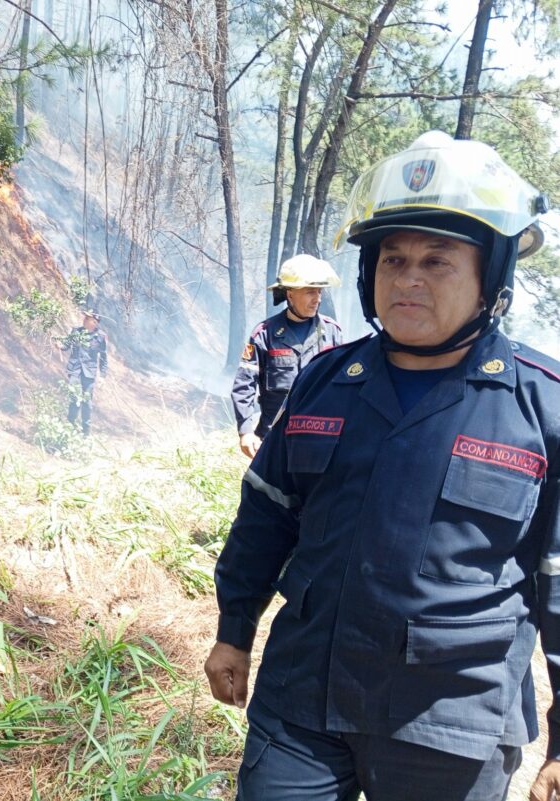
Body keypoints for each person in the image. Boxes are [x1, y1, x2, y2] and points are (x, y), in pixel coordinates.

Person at [204, 130, 560, 801]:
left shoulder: (542, 406)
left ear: (493, 275)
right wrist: (233, 628)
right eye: (393, 259)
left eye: (437, 260)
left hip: (450, 724)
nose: (409, 279)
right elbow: (266, 516)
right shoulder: (326, 380)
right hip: (302, 700)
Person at [231, 255, 343, 458]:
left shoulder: (331, 332)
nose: (317, 298)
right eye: (310, 292)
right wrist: (246, 431)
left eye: (319, 291)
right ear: (290, 295)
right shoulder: (264, 334)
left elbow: (345, 388)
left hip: (320, 442)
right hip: (274, 442)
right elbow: (244, 385)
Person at [59, 309, 108, 435]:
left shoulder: (101, 337)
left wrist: (102, 376)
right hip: (75, 370)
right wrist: (59, 345)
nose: (84, 320)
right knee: (74, 399)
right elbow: (66, 345)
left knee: (87, 403)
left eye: (88, 319)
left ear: (95, 322)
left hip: (89, 373)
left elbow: (103, 358)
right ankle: (69, 428)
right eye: (85, 318)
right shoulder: (76, 331)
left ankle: (85, 433)